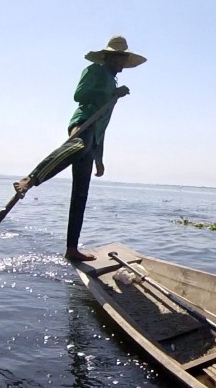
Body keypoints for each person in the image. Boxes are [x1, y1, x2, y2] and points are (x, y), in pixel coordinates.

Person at [13, 36, 146, 262]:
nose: (119, 62)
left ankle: (72, 249)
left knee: (81, 194)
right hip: (81, 124)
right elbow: (79, 96)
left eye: (122, 58)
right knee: (77, 146)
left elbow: (102, 125)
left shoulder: (113, 83)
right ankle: (30, 179)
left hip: (94, 137)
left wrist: (99, 158)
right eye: (116, 57)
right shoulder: (94, 71)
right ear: (107, 57)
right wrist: (111, 94)